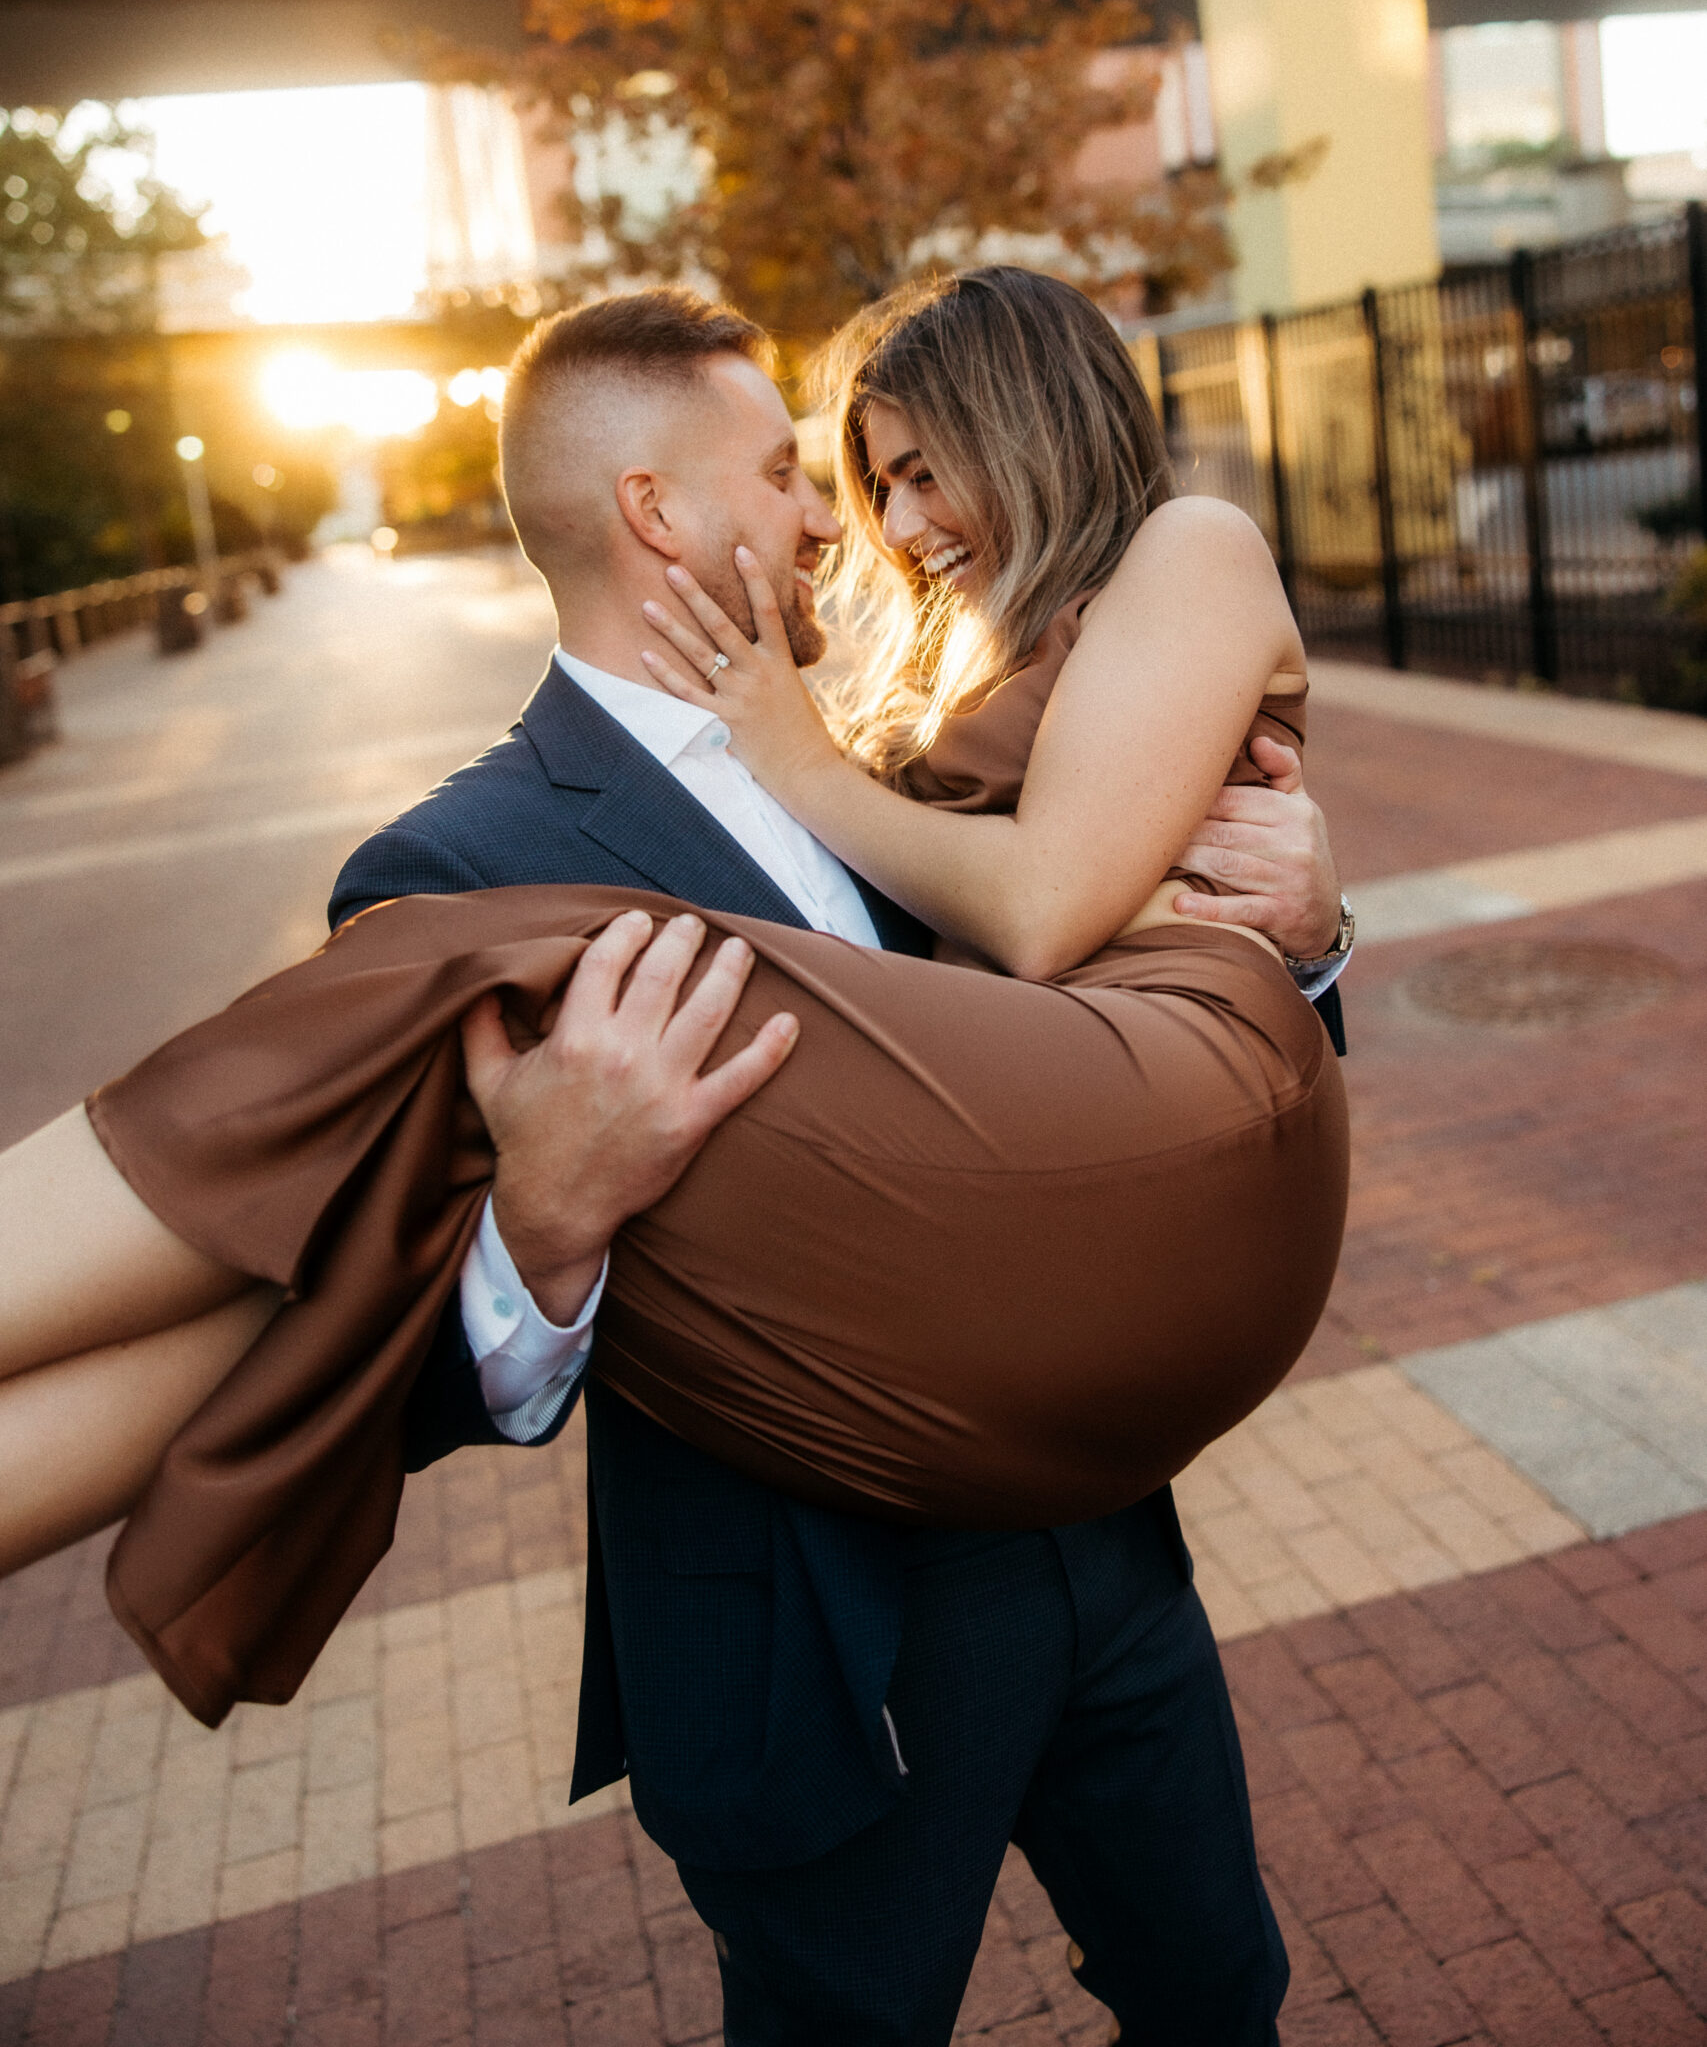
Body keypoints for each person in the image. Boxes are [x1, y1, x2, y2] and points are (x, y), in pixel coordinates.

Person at [0, 274, 1351, 2045]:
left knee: (1219, 1997)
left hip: (1095, 1563)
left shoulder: (883, 761)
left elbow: (1100, 1013)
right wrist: (540, 1232)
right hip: (818, 1650)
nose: (842, 525)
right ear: (660, 512)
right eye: (795, 475)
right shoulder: (461, 853)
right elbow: (399, 1344)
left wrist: (1310, 935)